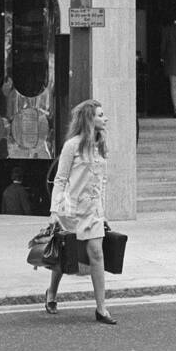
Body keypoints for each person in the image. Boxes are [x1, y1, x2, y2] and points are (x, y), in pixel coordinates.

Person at [44, 99, 116, 325]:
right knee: (66, 256)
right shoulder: (72, 145)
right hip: (71, 209)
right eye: (101, 115)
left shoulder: (101, 144)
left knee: (96, 253)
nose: (105, 119)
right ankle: (52, 292)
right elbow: (61, 179)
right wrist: (55, 210)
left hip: (93, 210)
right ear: (89, 119)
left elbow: (102, 181)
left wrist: (102, 212)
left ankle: (101, 308)